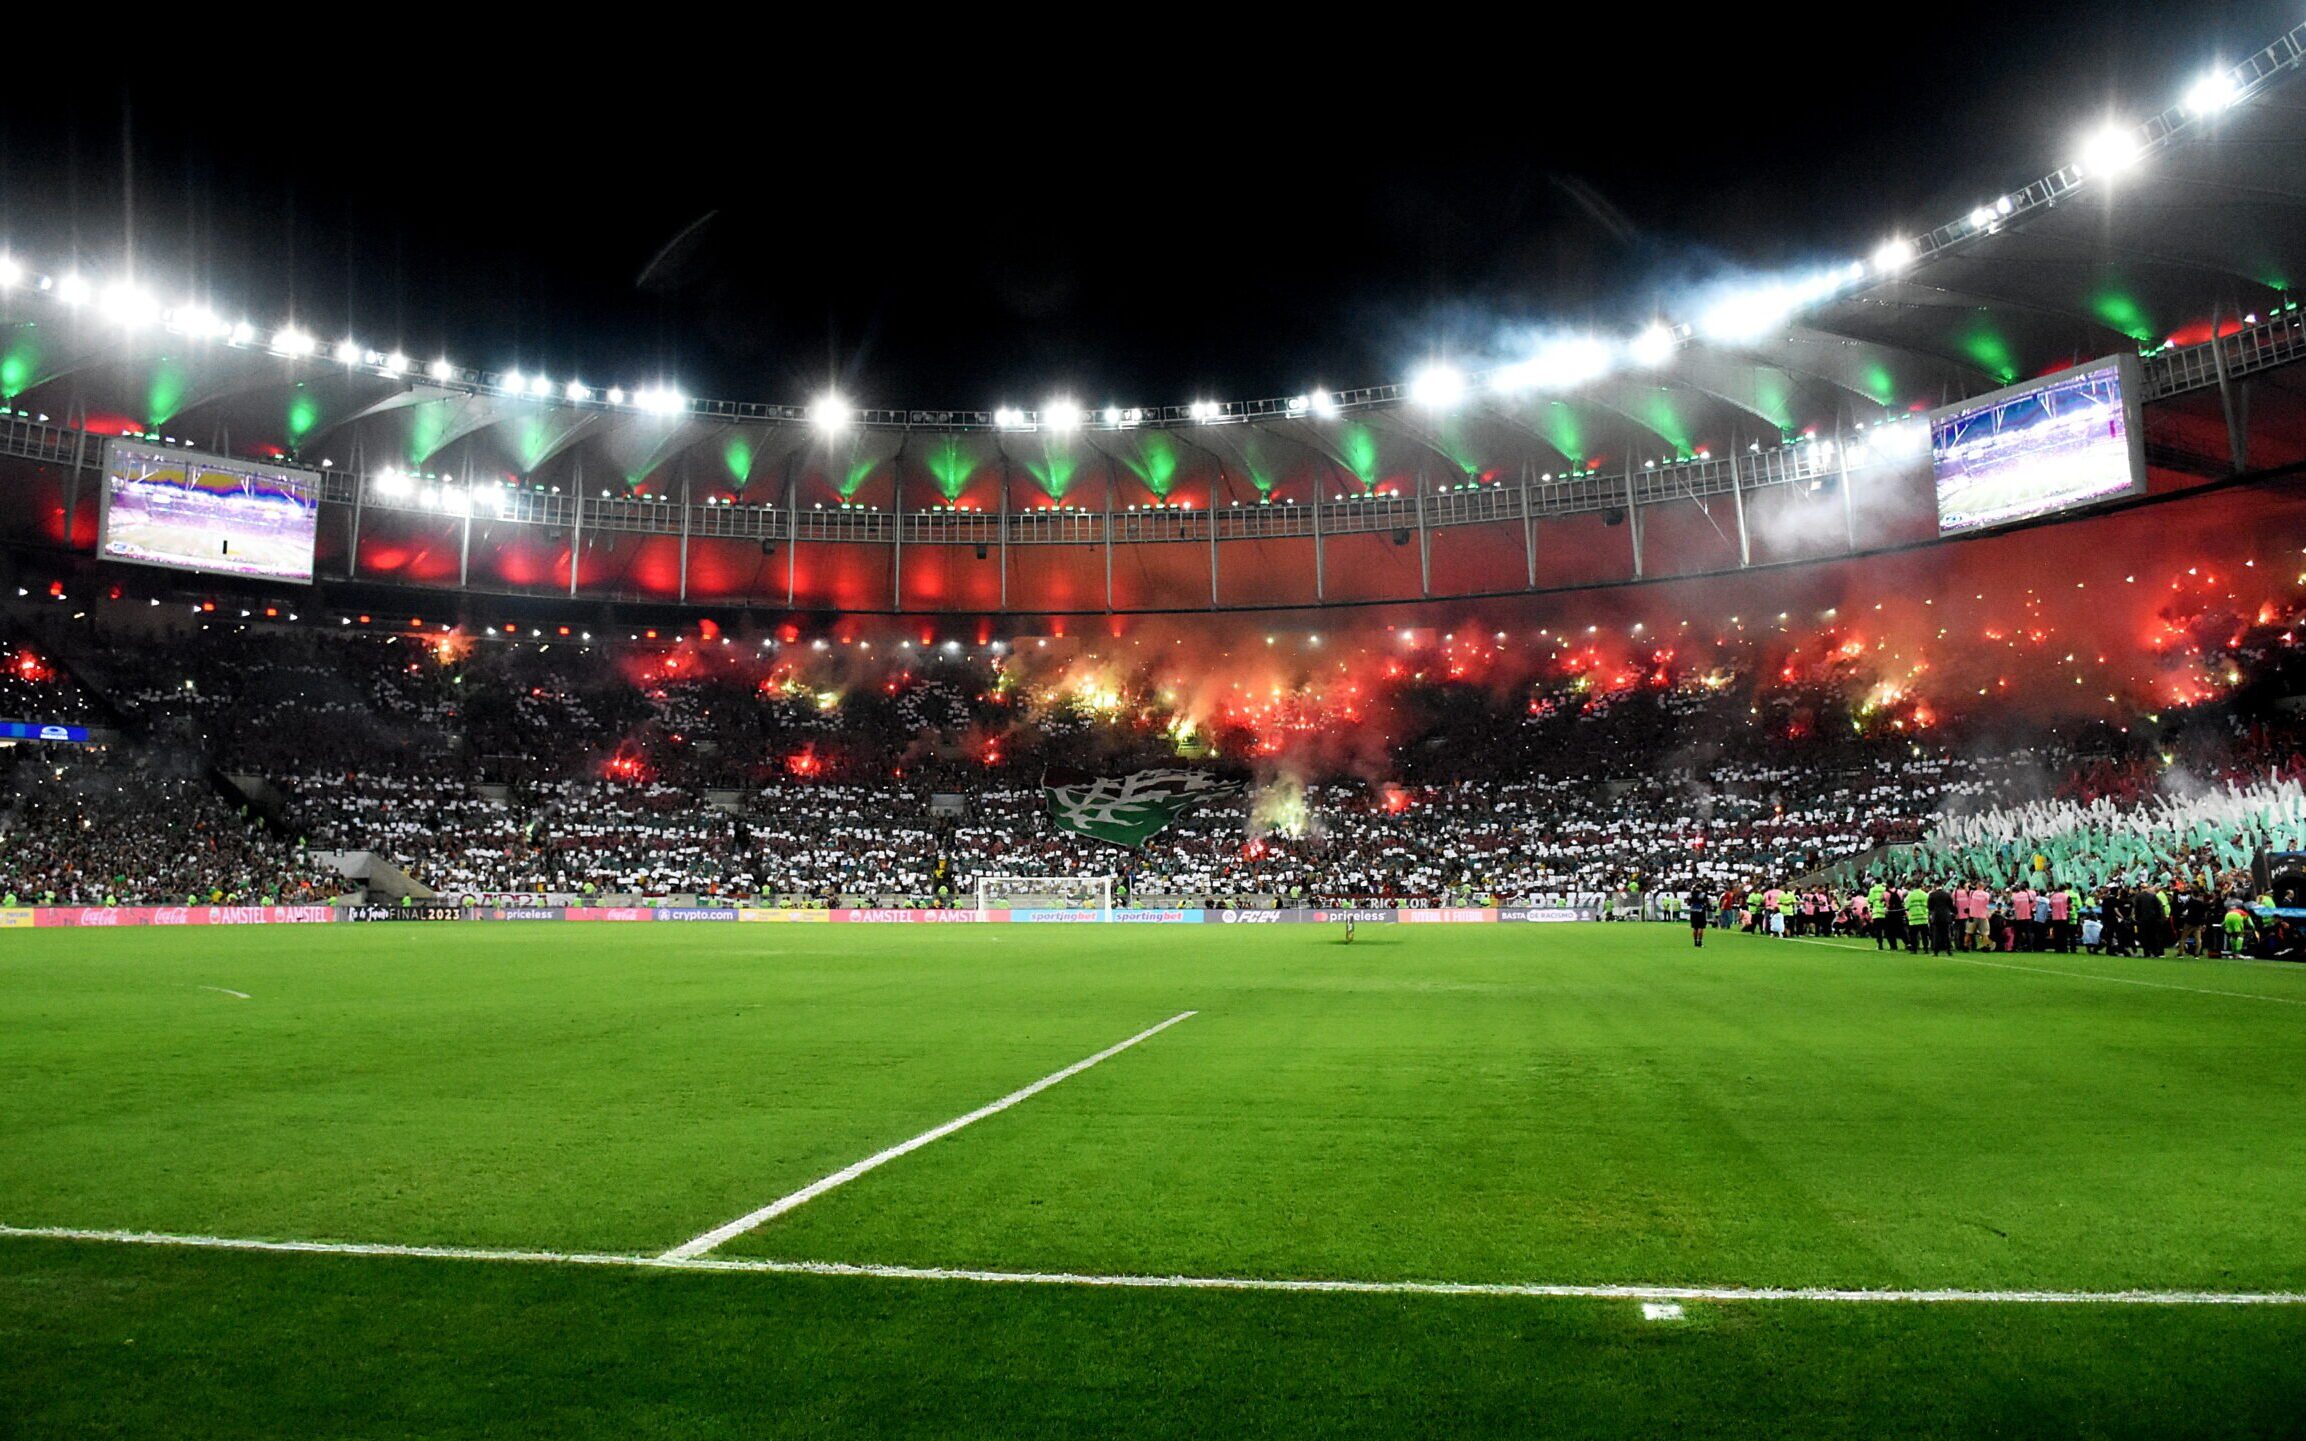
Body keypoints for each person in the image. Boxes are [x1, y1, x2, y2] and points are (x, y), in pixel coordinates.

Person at [1687, 883, 1712, 949]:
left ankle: (1695, 942)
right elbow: (1707, 903)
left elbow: (1688, 903)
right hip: (1701, 911)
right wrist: (1709, 907)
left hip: (1693, 911)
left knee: (1695, 927)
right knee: (1701, 927)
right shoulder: (1703, 894)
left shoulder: (1690, 894)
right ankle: (1699, 943)